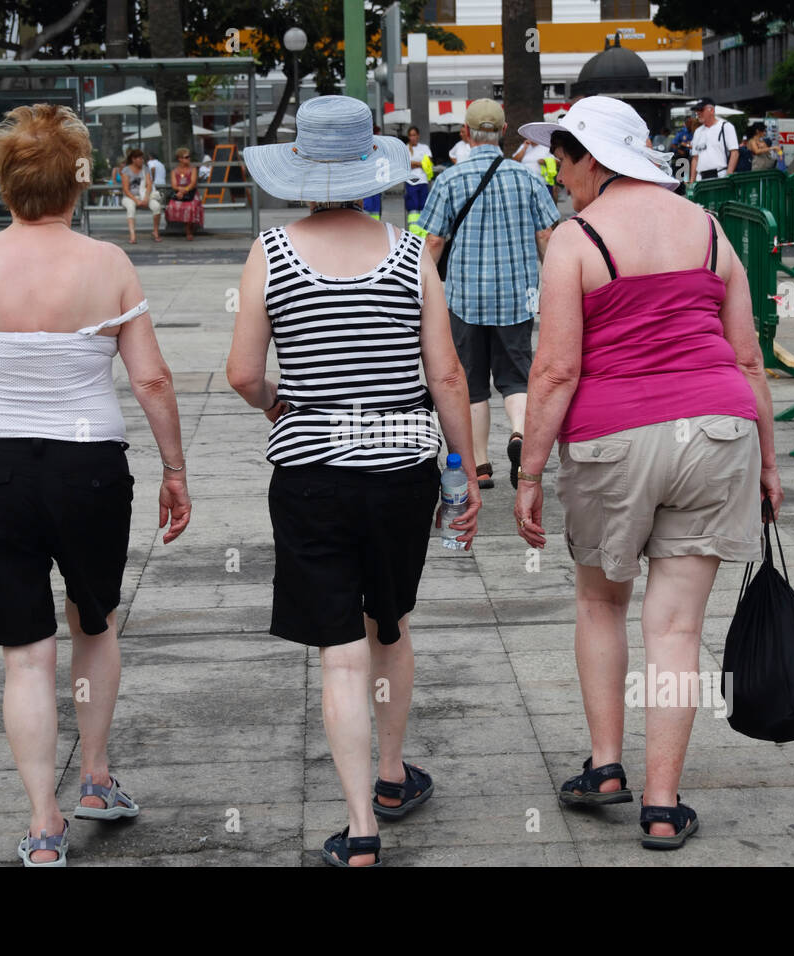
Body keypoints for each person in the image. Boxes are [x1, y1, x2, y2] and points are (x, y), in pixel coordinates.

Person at [0, 104, 191, 867]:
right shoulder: (108, 265)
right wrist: (174, 468)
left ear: (5, 187)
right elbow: (153, 379)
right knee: (93, 622)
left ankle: (43, 825)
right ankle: (96, 777)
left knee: (24, 652)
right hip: (89, 467)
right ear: (78, 185)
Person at [513, 95, 781, 850]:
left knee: (601, 603)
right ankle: (662, 805)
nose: (558, 174)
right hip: (719, 432)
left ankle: (604, 767)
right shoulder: (708, 228)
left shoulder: (576, 239)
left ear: (594, 157)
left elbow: (557, 370)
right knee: (676, 626)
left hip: (614, 440)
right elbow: (750, 356)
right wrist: (766, 459)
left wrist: (530, 472)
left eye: (562, 158)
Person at [231, 95, 481, 867]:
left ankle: (360, 832)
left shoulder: (270, 253)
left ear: (303, 172)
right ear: (373, 172)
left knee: (338, 649)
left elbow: (243, 373)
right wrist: (464, 474)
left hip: (310, 473)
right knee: (391, 623)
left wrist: (284, 405)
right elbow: (444, 372)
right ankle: (392, 774)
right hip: (401, 470)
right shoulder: (411, 253)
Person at [417, 99, 559, 491]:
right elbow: (546, 235)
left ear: (466, 132)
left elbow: (433, 241)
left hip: (464, 299)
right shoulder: (528, 178)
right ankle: (517, 433)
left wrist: (418, 287)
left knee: (471, 380)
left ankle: (479, 465)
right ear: (504, 130)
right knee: (516, 377)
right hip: (517, 297)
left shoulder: (449, 179)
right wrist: (558, 284)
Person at [688, 98, 739, 181]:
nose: (698, 113)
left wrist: (728, 176)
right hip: (700, 178)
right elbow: (695, 158)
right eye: (697, 110)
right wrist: (691, 181)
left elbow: (735, 152)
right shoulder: (698, 131)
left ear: (711, 110)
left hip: (719, 175)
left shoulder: (725, 126)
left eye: (701, 109)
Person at [120, 148, 162, 243]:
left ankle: (155, 231)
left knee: (157, 207)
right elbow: (126, 190)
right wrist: (136, 200)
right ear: (133, 159)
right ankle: (132, 235)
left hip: (144, 195)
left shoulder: (145, 169)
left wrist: (146, 197)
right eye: (139, 158)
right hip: (130, 196)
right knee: (131, 208)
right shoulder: (126, 170)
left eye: (142, 158)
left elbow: (149, 184)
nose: (141, 160)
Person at [166, 147, 203, 241]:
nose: (188, 159)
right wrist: (180, 190)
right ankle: (184, 227)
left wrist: (183, 190)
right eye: (186, 157)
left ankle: (189, 230)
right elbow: (174, 185)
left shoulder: (193, 169)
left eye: (189, 157)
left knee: (190, 207)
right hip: (179, 193)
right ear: (180, 159)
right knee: (171, 206)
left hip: (190, 193)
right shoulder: (174, 171)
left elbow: (193, 183)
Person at [404, 125, 433, 236]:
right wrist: (420, 163)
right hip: (411, 182)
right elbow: (407, 163)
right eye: (411, 135)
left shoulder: (424, 147)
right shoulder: (406, 148)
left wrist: (415, 163)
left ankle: (424, 233)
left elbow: (428, 162)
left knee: (423, 207)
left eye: (414, 135)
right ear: (408, 136)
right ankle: (414, 233)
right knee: (413, 208)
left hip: (423, 181)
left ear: (418, 136)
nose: (413, 137)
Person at [147, 151, 168, 237]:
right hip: (163, 185)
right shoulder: (161, 164)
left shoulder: (150, 162)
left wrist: (153, 178)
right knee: (161, 207)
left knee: (156, 207)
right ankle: (157, 229)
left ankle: (156, 229)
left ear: (150, 157)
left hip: (155, 186)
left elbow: (152, 168)